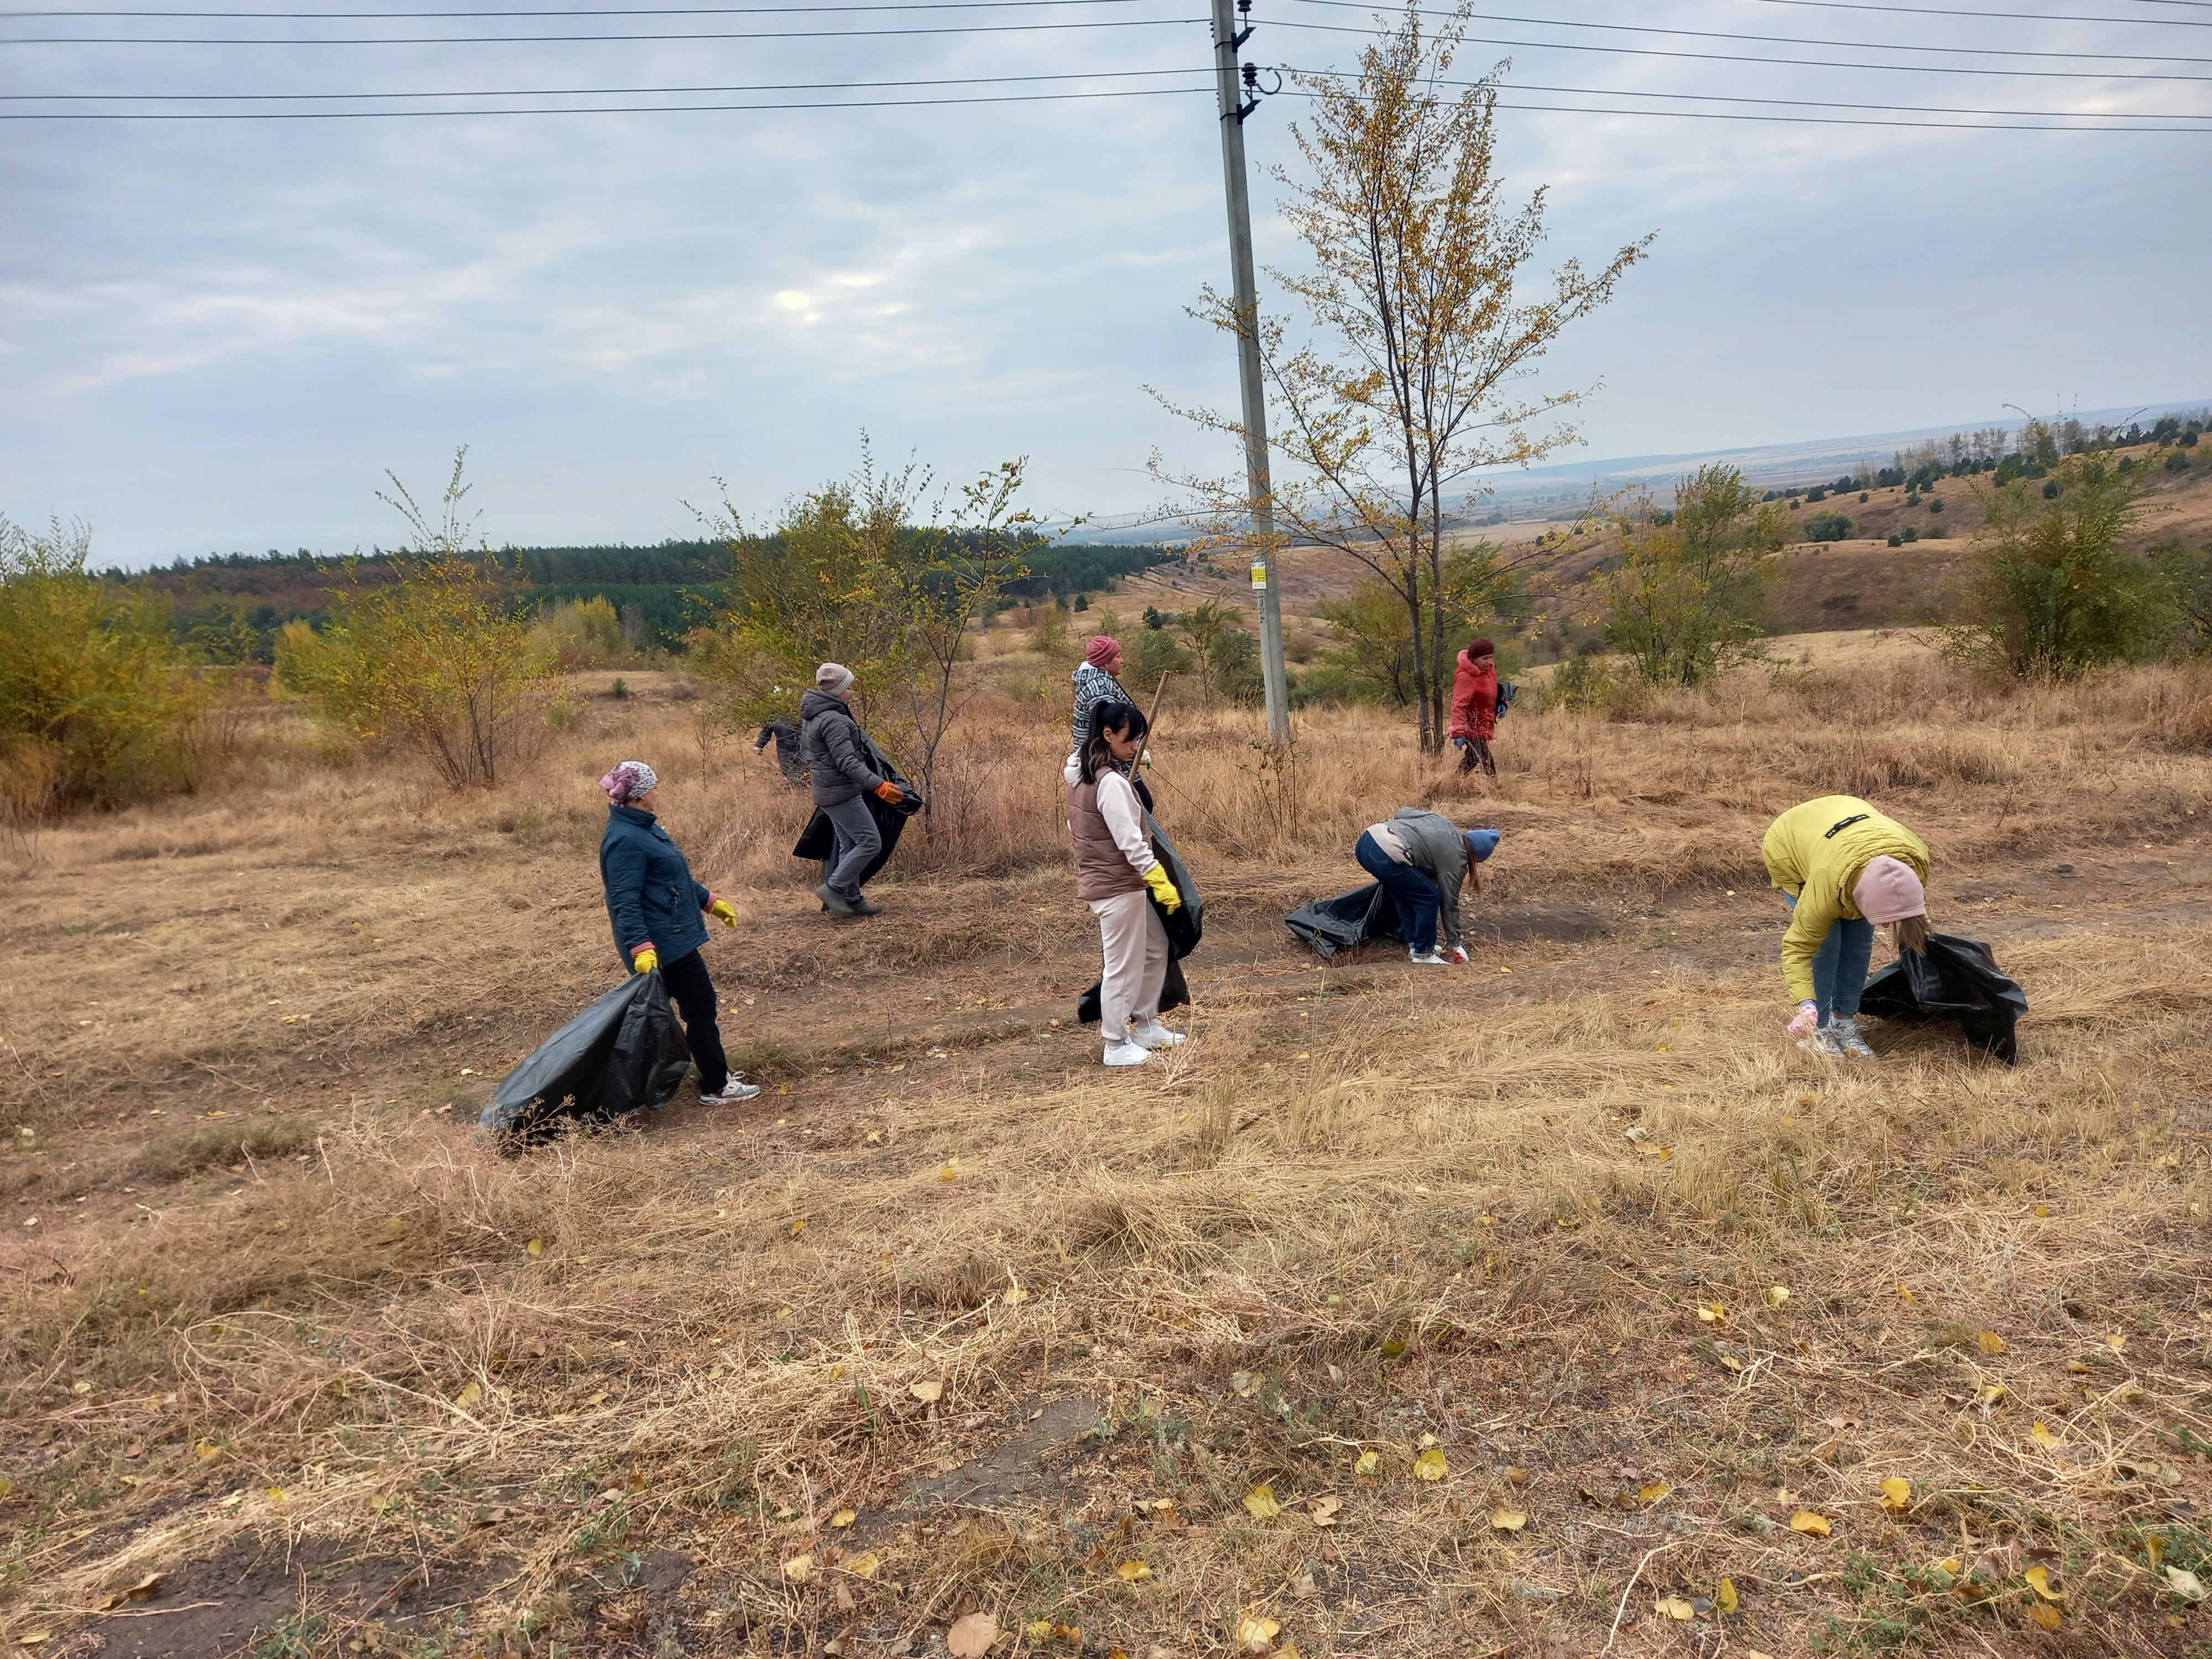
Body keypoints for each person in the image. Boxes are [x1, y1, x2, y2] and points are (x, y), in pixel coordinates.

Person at [597, 760, 760, 1106]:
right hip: (662, 943)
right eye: (653, 787)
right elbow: (624, 901)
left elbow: (672, 877)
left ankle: (698, 1080)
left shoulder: (642, 827)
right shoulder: (626, 839)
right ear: (640, 797)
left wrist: (708, 901)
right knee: (699, 1007)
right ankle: (717, 1086)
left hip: (669, 935)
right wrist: (641, 946)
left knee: (673, 1016)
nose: (658, 792)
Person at [1762, 794, 1931, 1061]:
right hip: (1791, 845)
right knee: (1827, 944)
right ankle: (1819, 1030)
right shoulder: (1823, 889)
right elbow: (1799, 949)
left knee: (1859, 942)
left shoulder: (1915, 862)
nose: (1887, 925)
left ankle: (1843, 1023)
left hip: (1846, 831)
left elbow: (1899, 903)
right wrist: (1807, 1004)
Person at [1066, 700, 1186, 1067]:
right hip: (1118, 885)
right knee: (1123, 964)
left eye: (1138, 740)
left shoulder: (1084, 772)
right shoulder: (1110, 783)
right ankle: (1116, 1044)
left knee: (1155, 947)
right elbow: (1130, 842)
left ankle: (1147, 1023)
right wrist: (1161, 883)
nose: (1136, 747)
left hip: (1118, 882)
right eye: (1130, 739)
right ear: (1107, 735)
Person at [799, 662, 904, 917]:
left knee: (849, 844)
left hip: (829, 793)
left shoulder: (815, 715)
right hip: (841, 793)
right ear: (838, 691)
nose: (852, 692)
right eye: (849, 688)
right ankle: (833, 888)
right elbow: (847, 763)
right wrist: (879, 785)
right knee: (870, 842)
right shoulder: (833, 719)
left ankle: (853, 899)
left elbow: (809, 755)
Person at [1353, 808, 1498, 965]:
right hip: (1386, 853)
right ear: (1477, 856)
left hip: (1366, 841)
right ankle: (1423, 954)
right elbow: (1449, 904)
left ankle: (1416, 946)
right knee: (1430, 898)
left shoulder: (1444, 823)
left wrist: (1410, 831)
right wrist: (1455, 945)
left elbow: (1402, 813)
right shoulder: (1457, 858)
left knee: (1405, 897)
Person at [1449, 638, 1499, 778]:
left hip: (1484, 721)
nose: (1489, 662)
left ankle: (1455, 782)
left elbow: (1492, 690)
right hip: (1472, 725)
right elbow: (1458, 705)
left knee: (1472, 758)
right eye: (1485, 658)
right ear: (1473, 659)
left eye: (1491, 657)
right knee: (1486, 758)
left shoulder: (1489, 670)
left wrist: (1501, 701)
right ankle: (1494, 788)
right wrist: (1459, 730)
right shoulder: (1465, 677)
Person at [1071, 634, 1125, 754]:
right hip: (1101, 761)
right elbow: (1111, 731)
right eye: (1118, 657)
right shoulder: (1100, 689)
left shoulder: (1097, 683)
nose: (1122, 661)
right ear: (1105, 662)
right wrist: (1133, 750)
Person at [753, 716, 806, 789]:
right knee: (786, 770)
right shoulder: (773, 714)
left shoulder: (798, 710)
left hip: (801, 746)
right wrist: (759, 745)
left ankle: (801, 788)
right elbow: (766, 731)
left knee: (803, 768)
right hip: (783, 748)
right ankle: (795, 788)